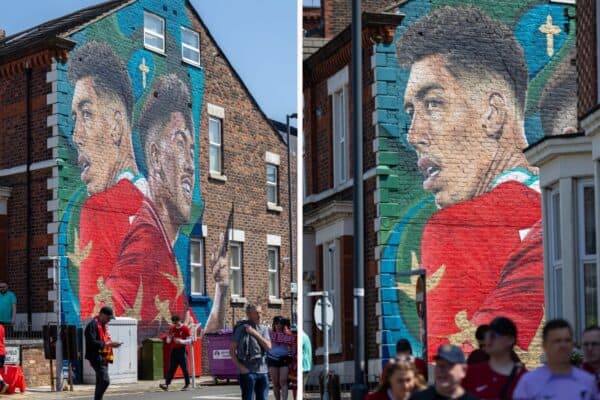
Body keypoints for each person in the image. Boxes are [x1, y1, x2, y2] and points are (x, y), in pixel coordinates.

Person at [395, 6, 543, 362]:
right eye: (411, 113)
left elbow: (447, 367)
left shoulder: (453, 229)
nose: (414, 135)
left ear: (493, 113)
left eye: (433, 104)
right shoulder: (569, 204)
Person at [68, 41, 148, 320]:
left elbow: (93, 319)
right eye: (74, 118)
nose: (76, 135)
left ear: (115, 125)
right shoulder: (155, 205)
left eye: (86, 114)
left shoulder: (97, 209)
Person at [513, 319, 598, 399]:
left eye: (567, 340)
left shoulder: (587, 381)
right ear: (544, 345)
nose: (563, 345)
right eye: (557, 341)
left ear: (572, 344)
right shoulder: (529, 382)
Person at [463, 317, 526, 399]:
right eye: (488, 335)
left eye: (494, 335)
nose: (489, 339)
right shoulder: (471, 372)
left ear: (510, 340)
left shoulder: (524, 378)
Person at [229, 303, 272, 400]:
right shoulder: (241, 329)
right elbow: (231, 350)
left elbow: (268, 347)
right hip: (248, 371)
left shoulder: (264, 328)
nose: (259, 315)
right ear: (248, 314)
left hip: (263, 371)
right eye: (256, 313)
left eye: (260, 313)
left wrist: (254, 333)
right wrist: (241, 368)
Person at [409, 345, 477, 400]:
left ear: (463, 370)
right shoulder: (418, 398)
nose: (442, 371)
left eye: (449, 366)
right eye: (439, 365)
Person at [84, 306, 122, 400]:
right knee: (105, 381)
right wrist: (109, 344)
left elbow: (105, 340)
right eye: (108, 318)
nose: (109, 320)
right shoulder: (92, 325)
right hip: (95, 357)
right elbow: (91, 342)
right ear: (101, 315)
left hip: (104, 357)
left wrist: (110, 344)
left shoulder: (104, 326)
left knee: (100, 381)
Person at [159, 315, 191, 391]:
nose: (175, 325)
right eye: (174, 323)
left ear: (179, 321)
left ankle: (187, 384)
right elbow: (168, 341)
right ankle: (166, 384)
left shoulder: (185, 328)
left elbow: (190, 340)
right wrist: (169, 337)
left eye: (176, 323)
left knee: (185, 368)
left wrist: (181, 341)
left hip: (182, 350)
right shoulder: (172, 328)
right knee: (171, 368)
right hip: (174, 351)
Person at [267, 316, 291, 400]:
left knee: (283, 381)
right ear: (274, 324)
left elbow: (292, 344)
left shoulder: (287, 334)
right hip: (272, 358)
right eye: (276, 323)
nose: (278, 325)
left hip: (284, 358)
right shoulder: (269, 333)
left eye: (281, 323)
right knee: (275, 383)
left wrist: (288, 333)